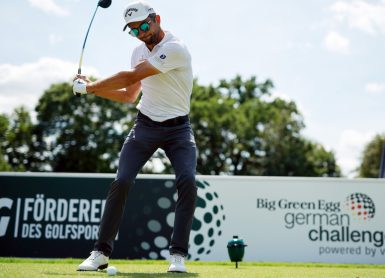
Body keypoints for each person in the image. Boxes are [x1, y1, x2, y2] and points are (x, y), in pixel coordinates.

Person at [73, 1, 197, 273]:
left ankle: (178, 255)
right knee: (122, 180)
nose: (140, 32)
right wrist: (90, 90)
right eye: (132, 30)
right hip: (145, 126)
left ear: (157, 19)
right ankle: (100, 253)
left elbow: (132, 75)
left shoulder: (175, 48)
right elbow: (130, 94)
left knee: (187, 181)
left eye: (143, 25)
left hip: (179, 129)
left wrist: (90, 86)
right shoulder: (138, 50)